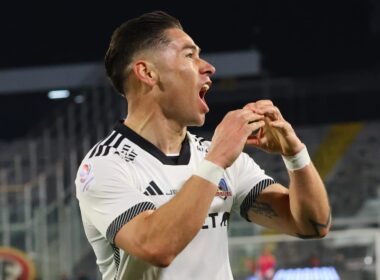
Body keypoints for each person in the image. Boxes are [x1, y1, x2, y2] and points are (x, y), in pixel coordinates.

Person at [75, 10, 331, 280]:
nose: (208, 66)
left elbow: (312, 225)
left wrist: (295, 155)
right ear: (147, 72)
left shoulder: (216, 157)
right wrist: (217, 159)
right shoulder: (103, 167)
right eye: (189, 55)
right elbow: (157, 246)